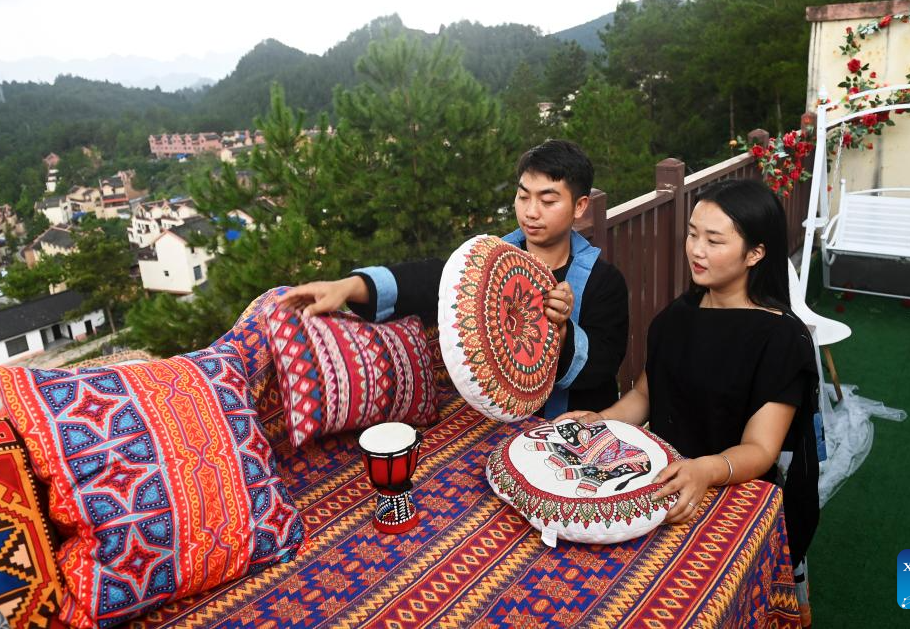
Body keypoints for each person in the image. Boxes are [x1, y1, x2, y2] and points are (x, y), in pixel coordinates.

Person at [558, 177, 819, 569]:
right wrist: (602, 420)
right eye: (693, 234)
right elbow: (646, 395)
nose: (697, 250)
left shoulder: (782, 339)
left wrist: (705, 470)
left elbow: (761, 450)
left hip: (730, 490)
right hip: (663, 483)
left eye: (714, 241)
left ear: (755, 253)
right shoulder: (676, 317)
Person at [278, 139, 629, 417]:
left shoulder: (603, 281)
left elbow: (603, 366)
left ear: (580, 207)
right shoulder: (493, 260)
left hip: (568, 427)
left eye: (547, 200)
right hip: (497, 424)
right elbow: (437, 278)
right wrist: (348, 287)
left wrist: (562, 330)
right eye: (523, 196)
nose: (530, 211)